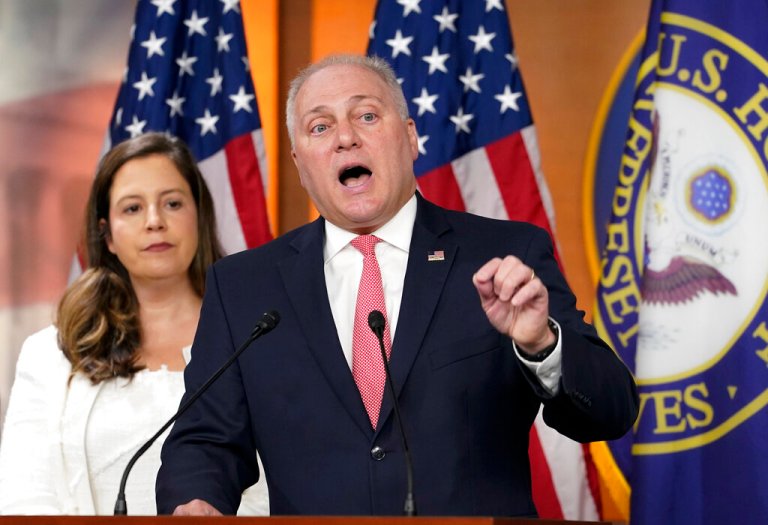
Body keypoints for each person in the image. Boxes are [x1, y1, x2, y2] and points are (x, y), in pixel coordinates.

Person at [157, 55, 639, 517]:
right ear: (300, 163)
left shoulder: (505, 255)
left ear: (410, 137)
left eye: (366, 116)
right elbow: (206, 440)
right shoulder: (244, 286)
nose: (345, 138)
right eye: (320, 127)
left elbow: (611, 410)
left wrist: (542, 344)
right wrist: (196, 500)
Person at [0, 133, 268, 515]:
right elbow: (24, 496)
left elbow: (282, 484)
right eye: (132, 208)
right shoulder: (50, 354)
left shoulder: (258, 339)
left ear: (200, 216)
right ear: (107, 235)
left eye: (172, 203)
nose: (155, 222)